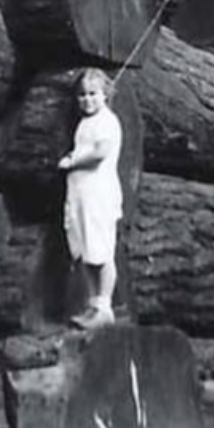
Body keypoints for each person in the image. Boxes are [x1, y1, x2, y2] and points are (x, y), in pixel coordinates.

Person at [58, 67, 123, 329]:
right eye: (83, 96)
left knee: (102, 250)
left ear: (105, 94)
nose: (88, 100)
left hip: (99, 193)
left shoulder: (108, 121)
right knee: (84, 251)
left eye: (93, 94)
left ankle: (105, 306)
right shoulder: (85, 123)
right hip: (80, 194)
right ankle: (93, 304)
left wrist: (72, 160)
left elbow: (100, 152)